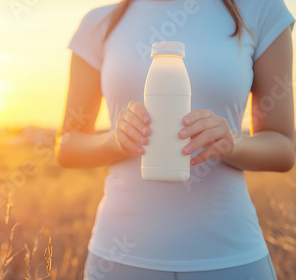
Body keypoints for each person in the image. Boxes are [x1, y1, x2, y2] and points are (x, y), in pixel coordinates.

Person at [55, 0, 295, 279]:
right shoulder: (99, 23)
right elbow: (68, 147)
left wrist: (232, 143)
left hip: (229, 258)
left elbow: (283, 148)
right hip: (120, 259)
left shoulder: (260, 10)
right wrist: (115, 141)